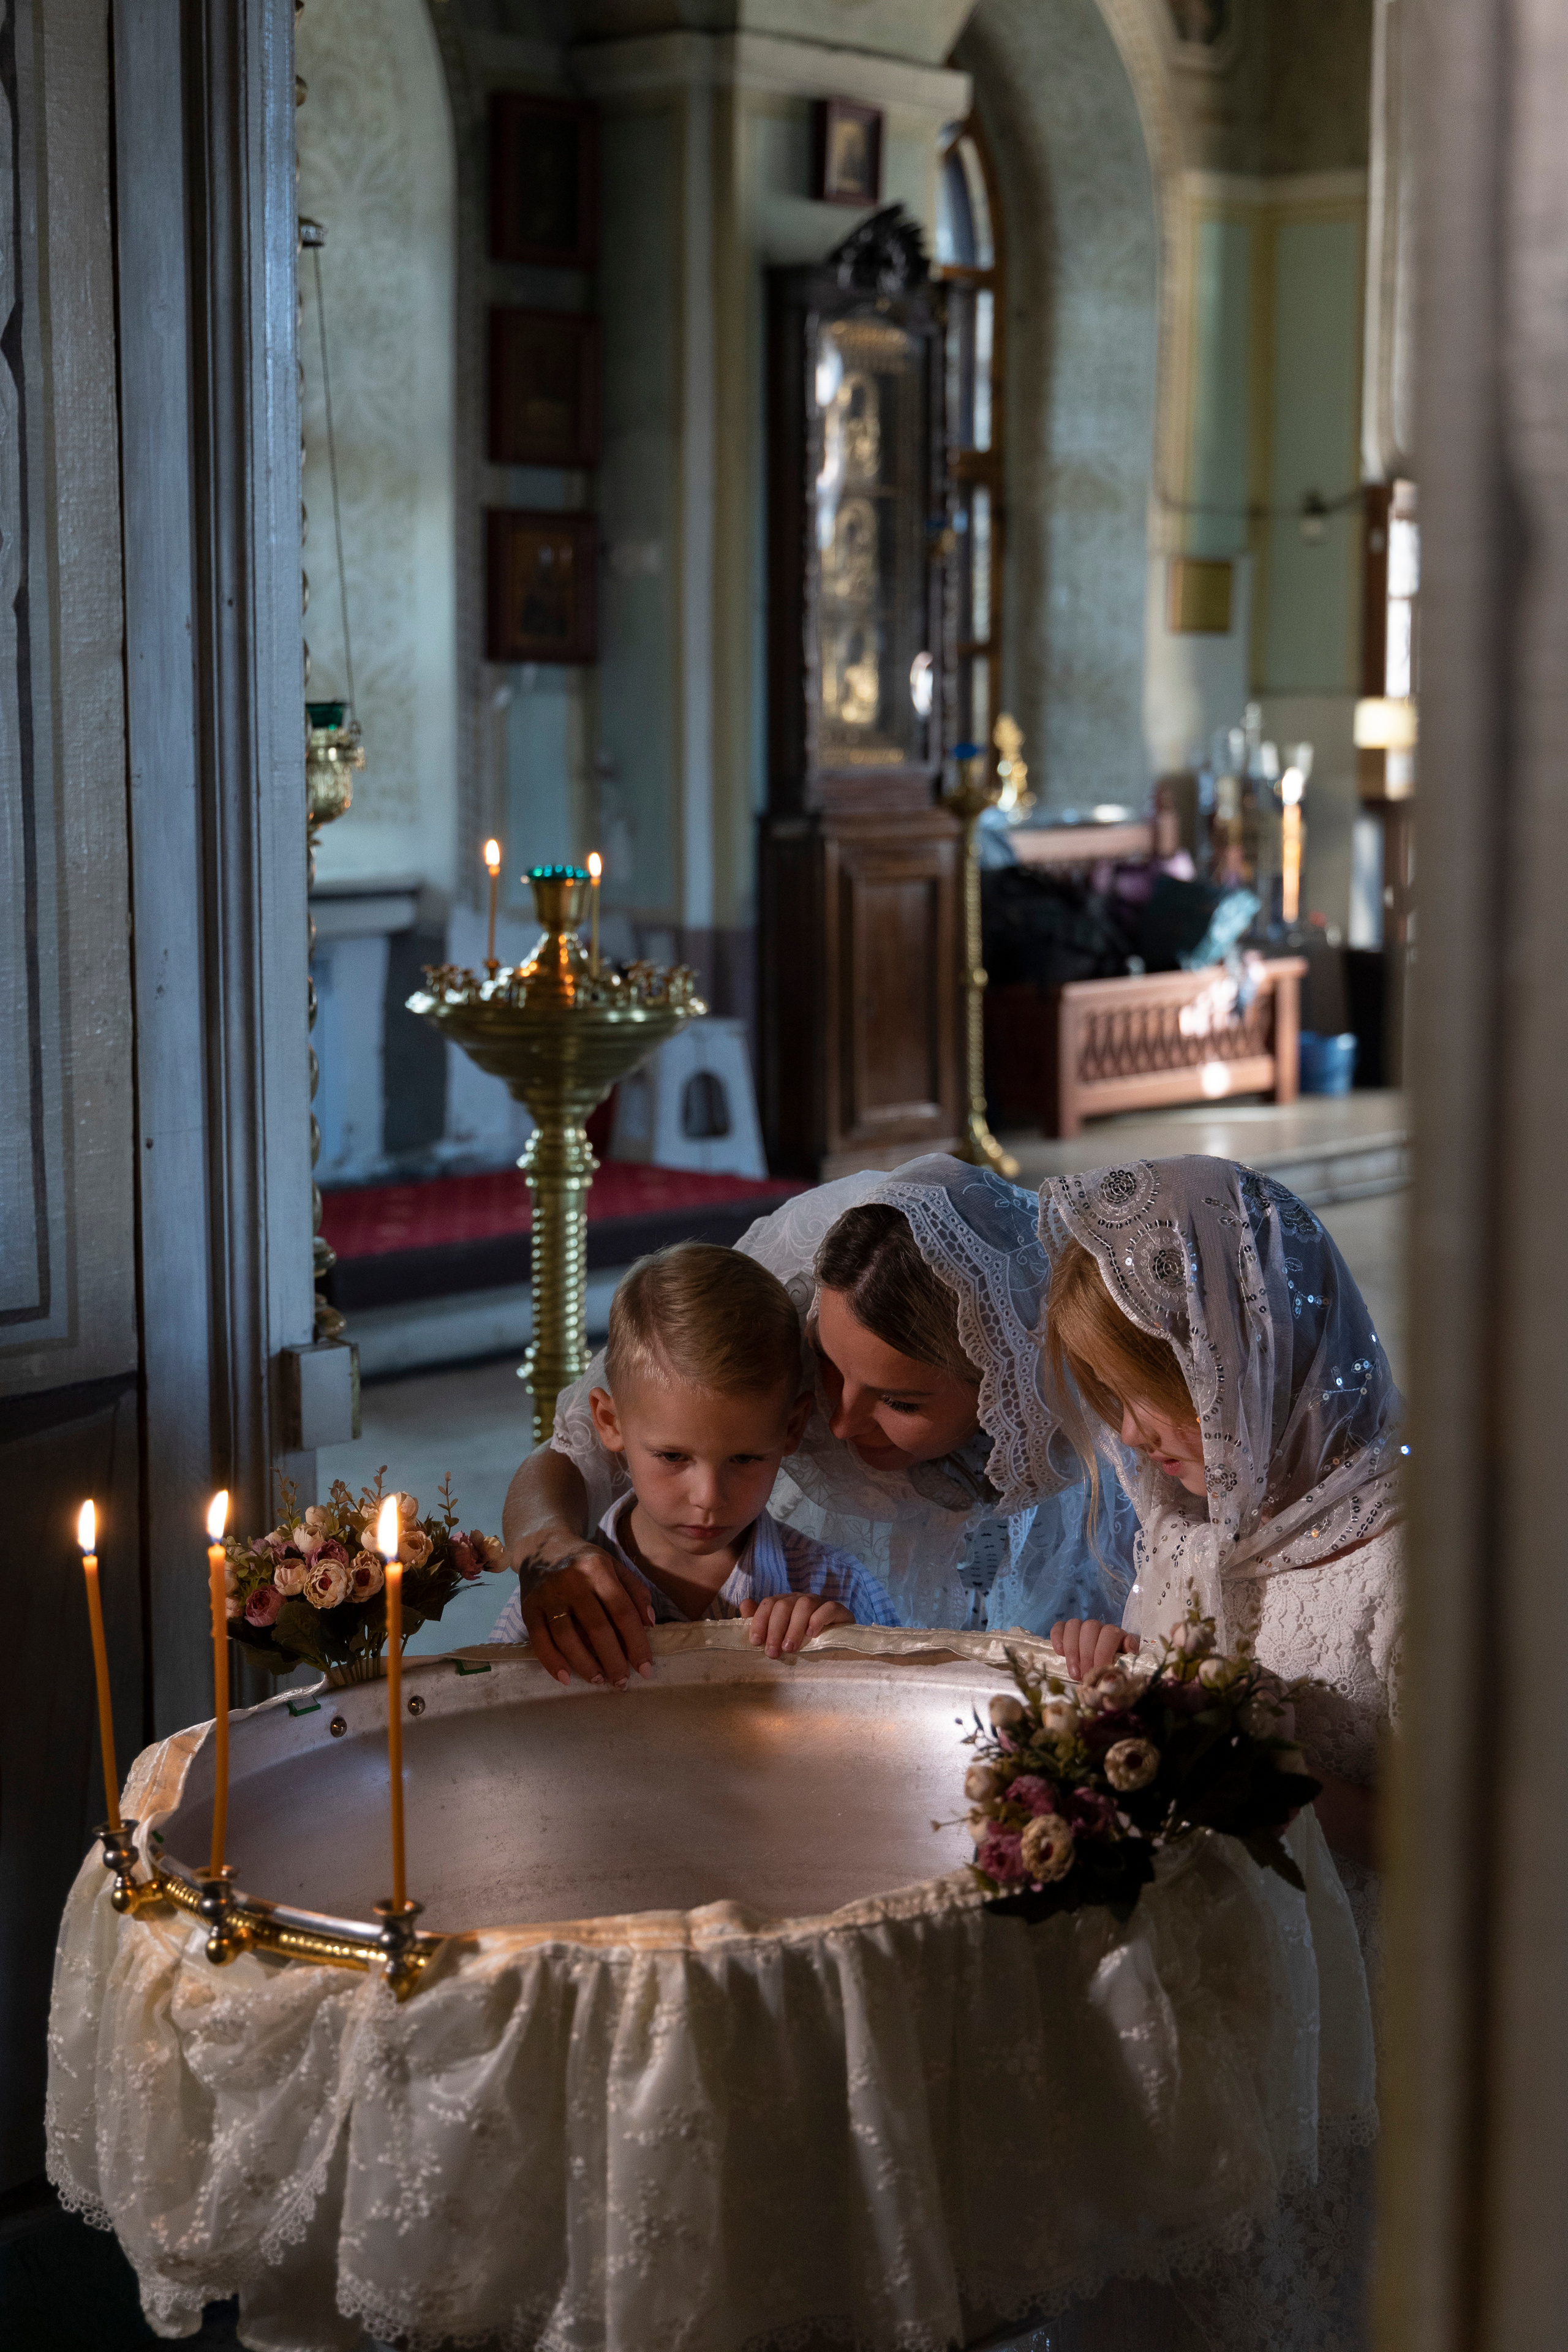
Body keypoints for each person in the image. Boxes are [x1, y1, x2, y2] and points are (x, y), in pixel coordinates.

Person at [500, 1156, 1137, 1685]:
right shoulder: (775, 1336)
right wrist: (548, 1551)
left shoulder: (1073, 1456)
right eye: (827, 1365)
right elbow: (570, 1455)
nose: (837, 1424)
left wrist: (846, 1641)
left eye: (900, 1402)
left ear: (1000, 1393)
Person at [1038, 1156, 1403, 1887]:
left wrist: (1270, 1772)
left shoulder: (1401, 1561)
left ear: (1245, 1351)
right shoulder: (1190, 1521)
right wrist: (1126, 1680)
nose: (1132, 1434)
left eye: (1148, 1390)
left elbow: (1479, 1854)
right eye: (1111, 1397)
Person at [489, 1243, 899, 1668]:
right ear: (609, 1423)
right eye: (672, 1457)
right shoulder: (561, 1593)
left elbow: (905, 1719)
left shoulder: (840, 1589)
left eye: (744, 1459)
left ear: (791, 1429)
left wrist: (848, 1656)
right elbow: (496, 1716)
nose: (708, 1497)